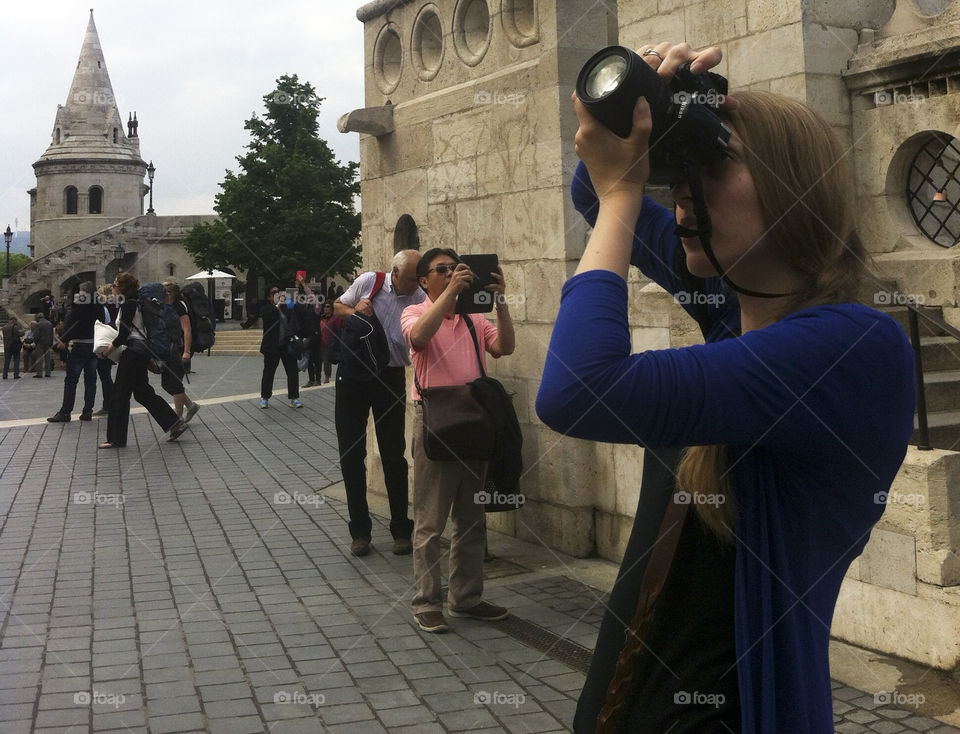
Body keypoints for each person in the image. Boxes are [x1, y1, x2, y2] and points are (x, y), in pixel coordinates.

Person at [534, 43, 916, 734]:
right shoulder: (730, 314)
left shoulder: (855, 348)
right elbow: (590, 191)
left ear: (795, 188)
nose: (683, 188)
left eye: (714, 165)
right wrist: (645, 106)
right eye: (683, 172)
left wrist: (627, 192)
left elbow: (578, 389)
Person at [400, 247, 515, 633]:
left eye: (455, 268)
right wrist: (451, 295)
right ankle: (426, 602)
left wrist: (500, 303)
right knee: (430, 522)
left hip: (473, 420)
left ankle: (466, 599)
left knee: (471, 519)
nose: (451, 274)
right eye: (442, 270)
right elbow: (419, 338)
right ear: (423, 281)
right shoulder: (413, 312)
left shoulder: (473, 320)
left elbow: (505, 347)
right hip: (435, 419)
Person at [334, 250, 425, 557]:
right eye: (413, 278)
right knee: (351, 453)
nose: (417, 284)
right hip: (353, 375)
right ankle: (359, 532)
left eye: (420, 278)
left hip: (389, 378)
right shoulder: (370, 281)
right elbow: (337, 306)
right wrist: (355, 309)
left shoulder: (421, 298)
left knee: (393, 454)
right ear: (395, 273)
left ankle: (401, 528)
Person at [98, 272, 187, 449]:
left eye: (115, 285)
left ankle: (116, 438)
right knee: (142, 392)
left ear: (123, 288)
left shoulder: (129, 304)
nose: (112, 288)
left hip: (133, 353)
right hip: (142, 353)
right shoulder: (137, 303)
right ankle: (174, 423)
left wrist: (107, 350)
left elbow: (124, 334)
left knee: (119, 395)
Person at [47, 281, 101, 423]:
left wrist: (62, 340)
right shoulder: (98, 307)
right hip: (93, 346)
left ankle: (65, 412)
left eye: (81, 291)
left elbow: (73, 327)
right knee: (91, 380)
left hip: (78, 346)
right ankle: (87, 411)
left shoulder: (79, 308)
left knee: (71, 381)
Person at [259, 284, 305, 409]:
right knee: (269, 372)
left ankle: (294, 397)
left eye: (279, 292)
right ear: (269, 297)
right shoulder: (266, 308)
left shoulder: (287, 308)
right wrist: (278, 304)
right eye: (274, 293)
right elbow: (267, 318)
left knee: (292, 372)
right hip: (272, 345)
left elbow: (301, 313)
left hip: (286, 344)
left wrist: (295, 302)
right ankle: (265, 397)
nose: (277, 294)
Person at [161, 282, 200, 422]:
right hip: (172, 348)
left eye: (165, 292)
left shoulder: (179, 306)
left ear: (172, 294)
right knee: (167, 383)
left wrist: (186, 351)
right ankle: (190, 406)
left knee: (174, 382)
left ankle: (178, 417)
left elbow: (187, 330)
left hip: (180, 348)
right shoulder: (168, 305)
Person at [92, 284, 117, 417]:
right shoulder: (117, 304)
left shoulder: (106, 306)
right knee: (106, 375)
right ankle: (110, 404)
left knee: (105, 376)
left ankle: (109, 404)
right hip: (112, 340)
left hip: (104, 341)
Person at [32, 313, 54, 378]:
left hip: (40, 343)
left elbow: (36, 335)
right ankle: (48, 373)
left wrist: (36, 342)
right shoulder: (50, 323)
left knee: (39, 358)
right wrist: (51, 343)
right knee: (47, 358)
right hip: (48, 343)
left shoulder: (38, 324)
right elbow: (52, 334)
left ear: (38, 318)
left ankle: (39, 373)